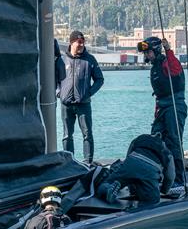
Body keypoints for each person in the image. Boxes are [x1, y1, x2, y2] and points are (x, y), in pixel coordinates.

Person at [137, 36, 187, 194]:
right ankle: (160, 177)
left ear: (156, 50)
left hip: (175, 105)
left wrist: (168, 50)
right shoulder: (155, 67)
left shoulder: (167, 62)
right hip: (162, 107)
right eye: (145, 53)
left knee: (174, 142)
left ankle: (179, 180)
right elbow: (159, 95)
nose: (146, 56)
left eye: (148, 52)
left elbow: (176, 70)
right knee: (155, 140)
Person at [57, 30, 104, 165]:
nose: (82, 45)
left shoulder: (90, 60)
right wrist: (58, 93)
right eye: (79, 43)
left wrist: (88, 93)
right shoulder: (61, 60)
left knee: (87, 134)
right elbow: (53, 79)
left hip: (83, 103)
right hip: (66, 104)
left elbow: (99, 79)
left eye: (83, 43)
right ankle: (68, 162)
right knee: (67, 135)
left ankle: (87, 162)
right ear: (71, 43)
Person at [95, 133, 175, 206]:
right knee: (152, 202)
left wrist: (132, 188)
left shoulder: (140, 138)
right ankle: (137, 210)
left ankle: (108, 189)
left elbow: (128, 155)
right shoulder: (166, 150)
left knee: (108, 182)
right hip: (150, 170)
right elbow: (170, 176)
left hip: (131, 162)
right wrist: (164, 190)